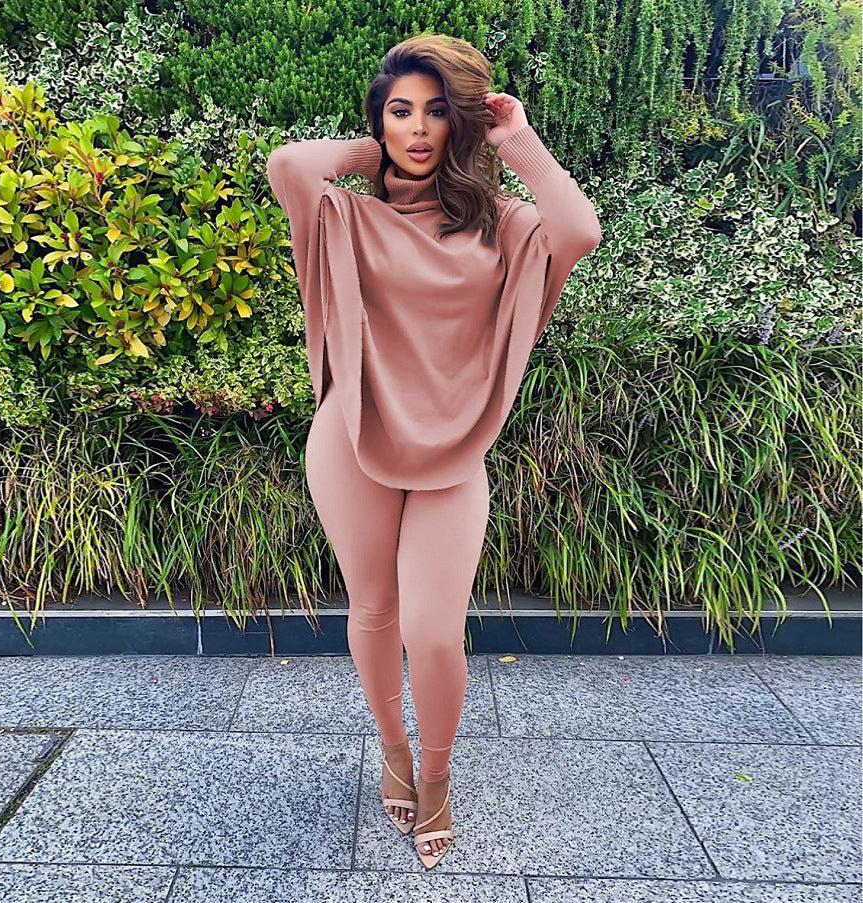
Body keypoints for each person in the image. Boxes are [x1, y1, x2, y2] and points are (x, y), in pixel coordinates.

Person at [266, 33, 602, 870]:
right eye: (400, 111)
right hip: (350, 434)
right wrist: (375, 150)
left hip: (454, 450)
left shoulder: (504, 226)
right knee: (374, 608)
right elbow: (290, 165)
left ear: (463, 123)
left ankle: (439, 773)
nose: (417, 128)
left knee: (435, 630)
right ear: (378, 120)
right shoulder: (344, 216)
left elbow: (578, 230)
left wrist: (511, 136)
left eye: (436, 112)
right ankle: (394, 752)